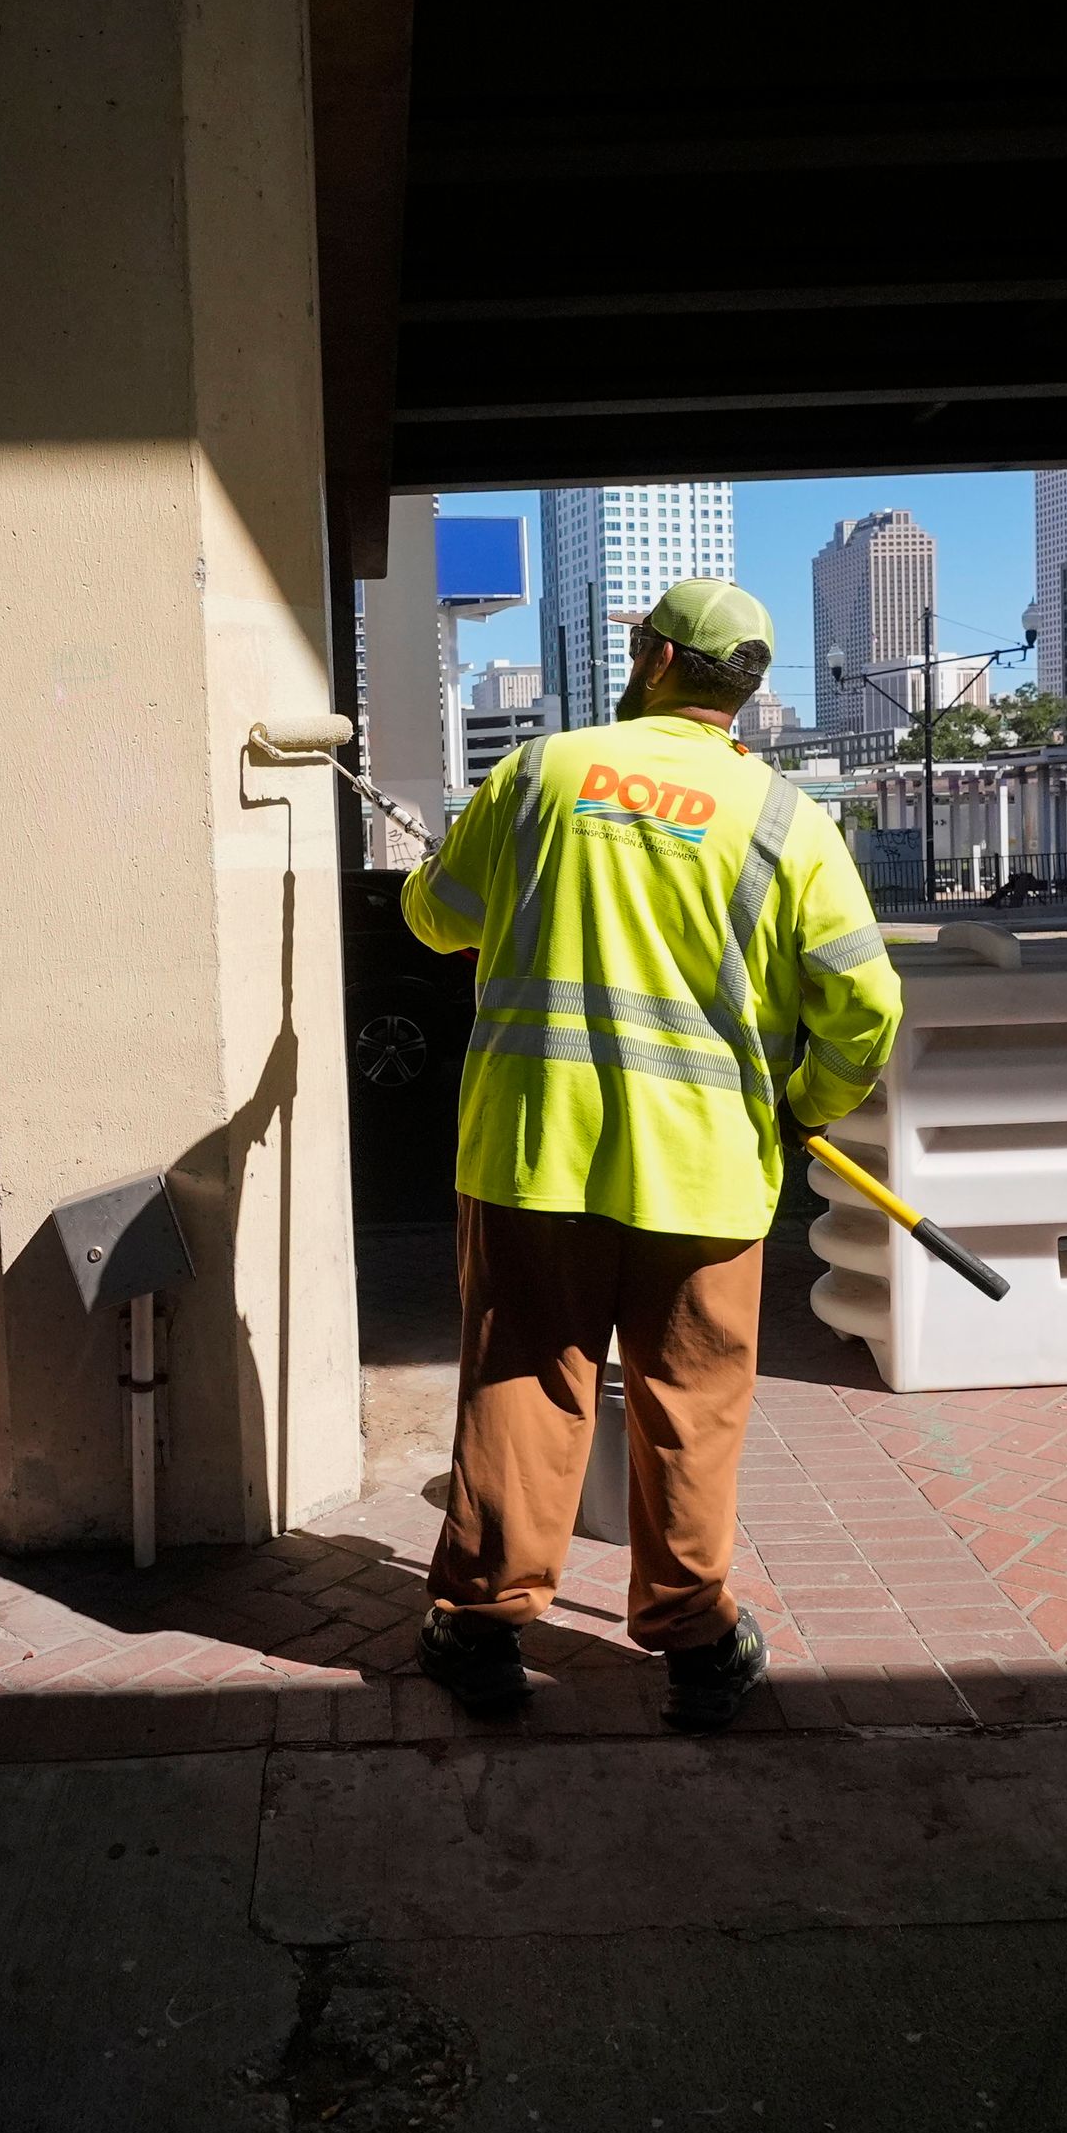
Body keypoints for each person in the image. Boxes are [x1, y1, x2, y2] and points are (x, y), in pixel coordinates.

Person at [399, 578, 903, 1730]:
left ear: (660, 658)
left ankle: (481, 1627)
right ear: (747, 684)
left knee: (525, 1381)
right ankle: (694, 1638)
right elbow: (866, 1004)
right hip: (708, 1172)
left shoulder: (541, 773)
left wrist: (456, 876)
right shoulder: (787, 818)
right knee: (691, 1404)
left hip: (536, 1154)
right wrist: (806, 1100)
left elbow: (438, 918)